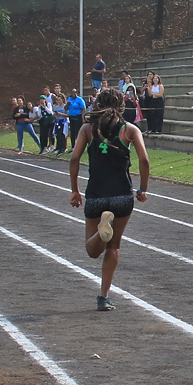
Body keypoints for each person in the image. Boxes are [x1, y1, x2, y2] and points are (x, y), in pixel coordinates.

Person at [68, 88, 151, 311]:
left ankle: (101, 230)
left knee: (92, 250)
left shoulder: (87, 129)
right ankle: (104, 296)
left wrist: (75, 190)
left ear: (97, 105)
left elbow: (74, 158)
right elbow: (144, 160)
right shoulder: (130, 130)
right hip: (122, 196)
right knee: (113, 246)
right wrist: (143, 188)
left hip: (96, 195)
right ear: (122, 107)